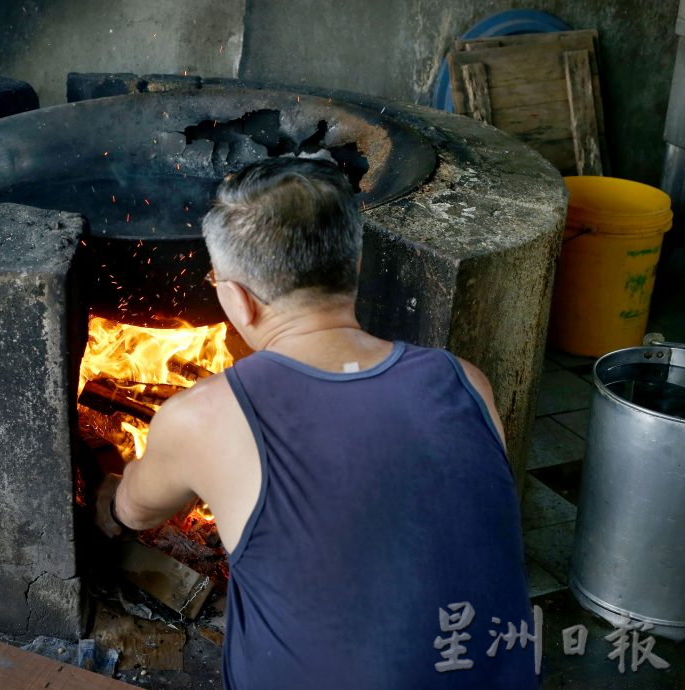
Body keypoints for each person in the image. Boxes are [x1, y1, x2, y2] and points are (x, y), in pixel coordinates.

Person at [95, 157, 538, 689]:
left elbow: (135, 510)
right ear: (353, 268)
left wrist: (111, 495)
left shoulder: (205, 414)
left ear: (234, 299)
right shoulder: (465, 380)